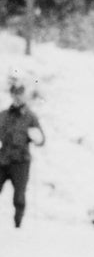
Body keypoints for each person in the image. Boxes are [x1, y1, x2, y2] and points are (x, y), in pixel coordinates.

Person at [0, 81, 45, 228]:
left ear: (24, 96)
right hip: (3, 159)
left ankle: (17, 224)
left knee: (19, 196)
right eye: (15, 94)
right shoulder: (3, 115)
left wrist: (36, 137)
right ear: (12, 95)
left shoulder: (30, 117)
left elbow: (41, 139)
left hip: (21, 162)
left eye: (20, 94)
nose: (17, 97)